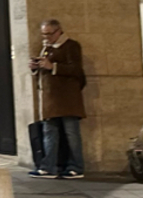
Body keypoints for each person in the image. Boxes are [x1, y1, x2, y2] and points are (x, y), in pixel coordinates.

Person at [28, 19, 86, 180]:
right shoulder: (46, 48)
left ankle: (76, 167)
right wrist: (36, 67)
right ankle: (49, 167)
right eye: (43, 34)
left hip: (68, 99)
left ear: (58, 31)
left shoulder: (71, 46)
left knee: (71, 133)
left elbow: (77, 70)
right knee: (49, 133)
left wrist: (53, 67)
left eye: (48, 34)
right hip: (50, 100)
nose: (45, 37)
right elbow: (44, 69)